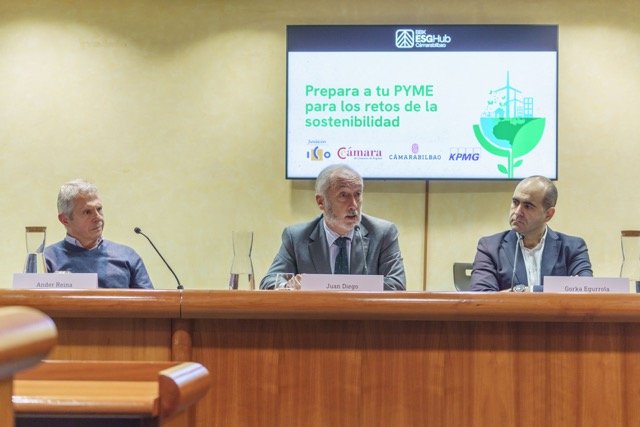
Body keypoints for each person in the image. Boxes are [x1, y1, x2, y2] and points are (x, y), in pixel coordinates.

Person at [259, 164, 406, 290]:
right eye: (343, 195)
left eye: (357, 194)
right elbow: (269, 281)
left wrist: (348, 288)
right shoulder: (296, 237)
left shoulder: (383, 233)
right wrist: (289, 285)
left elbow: (397, 285)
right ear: (321, 202)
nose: (354, 205)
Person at [470, 175, 592, 292]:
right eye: (515, 202)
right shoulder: (490, 247)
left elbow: (585, 290)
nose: (517, 212)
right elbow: (482, 296)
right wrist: (533, 291)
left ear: (548, 214)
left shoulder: (572, 248)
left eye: (528, 206)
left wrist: (529, 291)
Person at [44, 179, 154, 289]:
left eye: (99, 209)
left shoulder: (128, 256)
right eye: (87, 212)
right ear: (65, 219)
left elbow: (149, 299)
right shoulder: (47, 260)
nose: (98, 217)